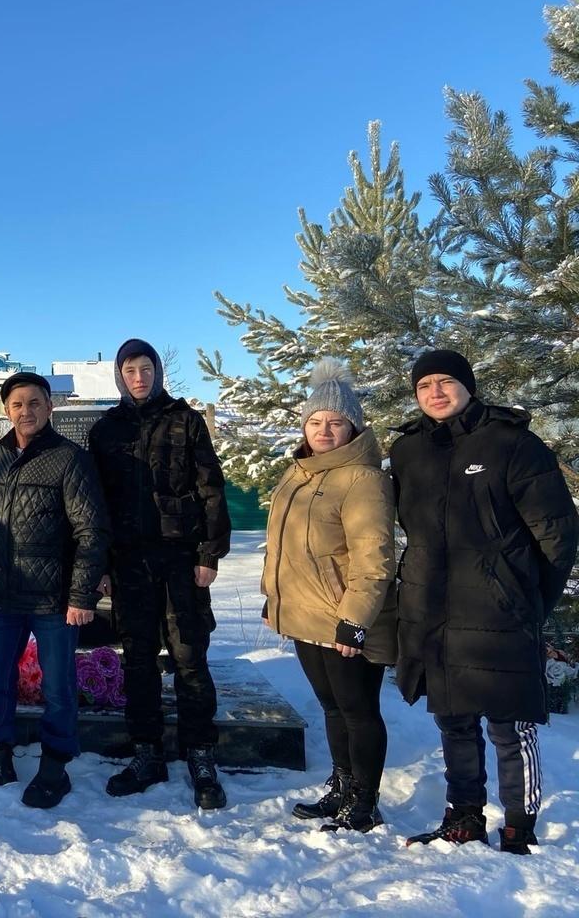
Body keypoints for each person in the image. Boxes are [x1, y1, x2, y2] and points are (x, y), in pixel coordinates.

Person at [391, 350, 578, 854]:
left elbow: (557, 535)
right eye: (424, 384)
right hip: (433, 611)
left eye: (445, 381)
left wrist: (525, 600)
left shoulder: (512, 444)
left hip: (500, 613)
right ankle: (464, 815)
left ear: (468, 386)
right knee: (453, 718)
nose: (434, 392)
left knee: (509, 724)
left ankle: (519, 823)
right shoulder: (409, 451)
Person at [0, 372, 110, 810]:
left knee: (58, 686)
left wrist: (81, 597)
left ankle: (55, 767)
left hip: (54, 600)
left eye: (35, 403)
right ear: (6, 410)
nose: (26, 411)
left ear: (49, 408)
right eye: (18, 404)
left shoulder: (68, 458)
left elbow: (91, 531)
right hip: (4, 595)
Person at [87, 338, 231, 809]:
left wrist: (209, 553)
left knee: (190, 657)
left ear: (158, 372)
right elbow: (98, 505)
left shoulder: (185, 421)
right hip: (129, 564)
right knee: (139, 661)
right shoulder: (106, 430)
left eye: (146, 368)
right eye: (130, 370)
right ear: (119, 376)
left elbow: (210, 488)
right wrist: (103, 565)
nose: (139, 377)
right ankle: (146, 752)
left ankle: (200, 754)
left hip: (181, 560)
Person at [261, 360, 396, 833]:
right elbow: (285, 548)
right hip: (305, 616)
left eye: (335, 422)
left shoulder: (364, 480)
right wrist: (272, 598)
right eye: (315, 421)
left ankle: (365, 800)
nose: (324, 430)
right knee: (333, 708)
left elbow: (373, 559)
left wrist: (354, 620)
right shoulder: (299, 473)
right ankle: (341, 786)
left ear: (353, 427)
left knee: (359, 712)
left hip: (344, 619)